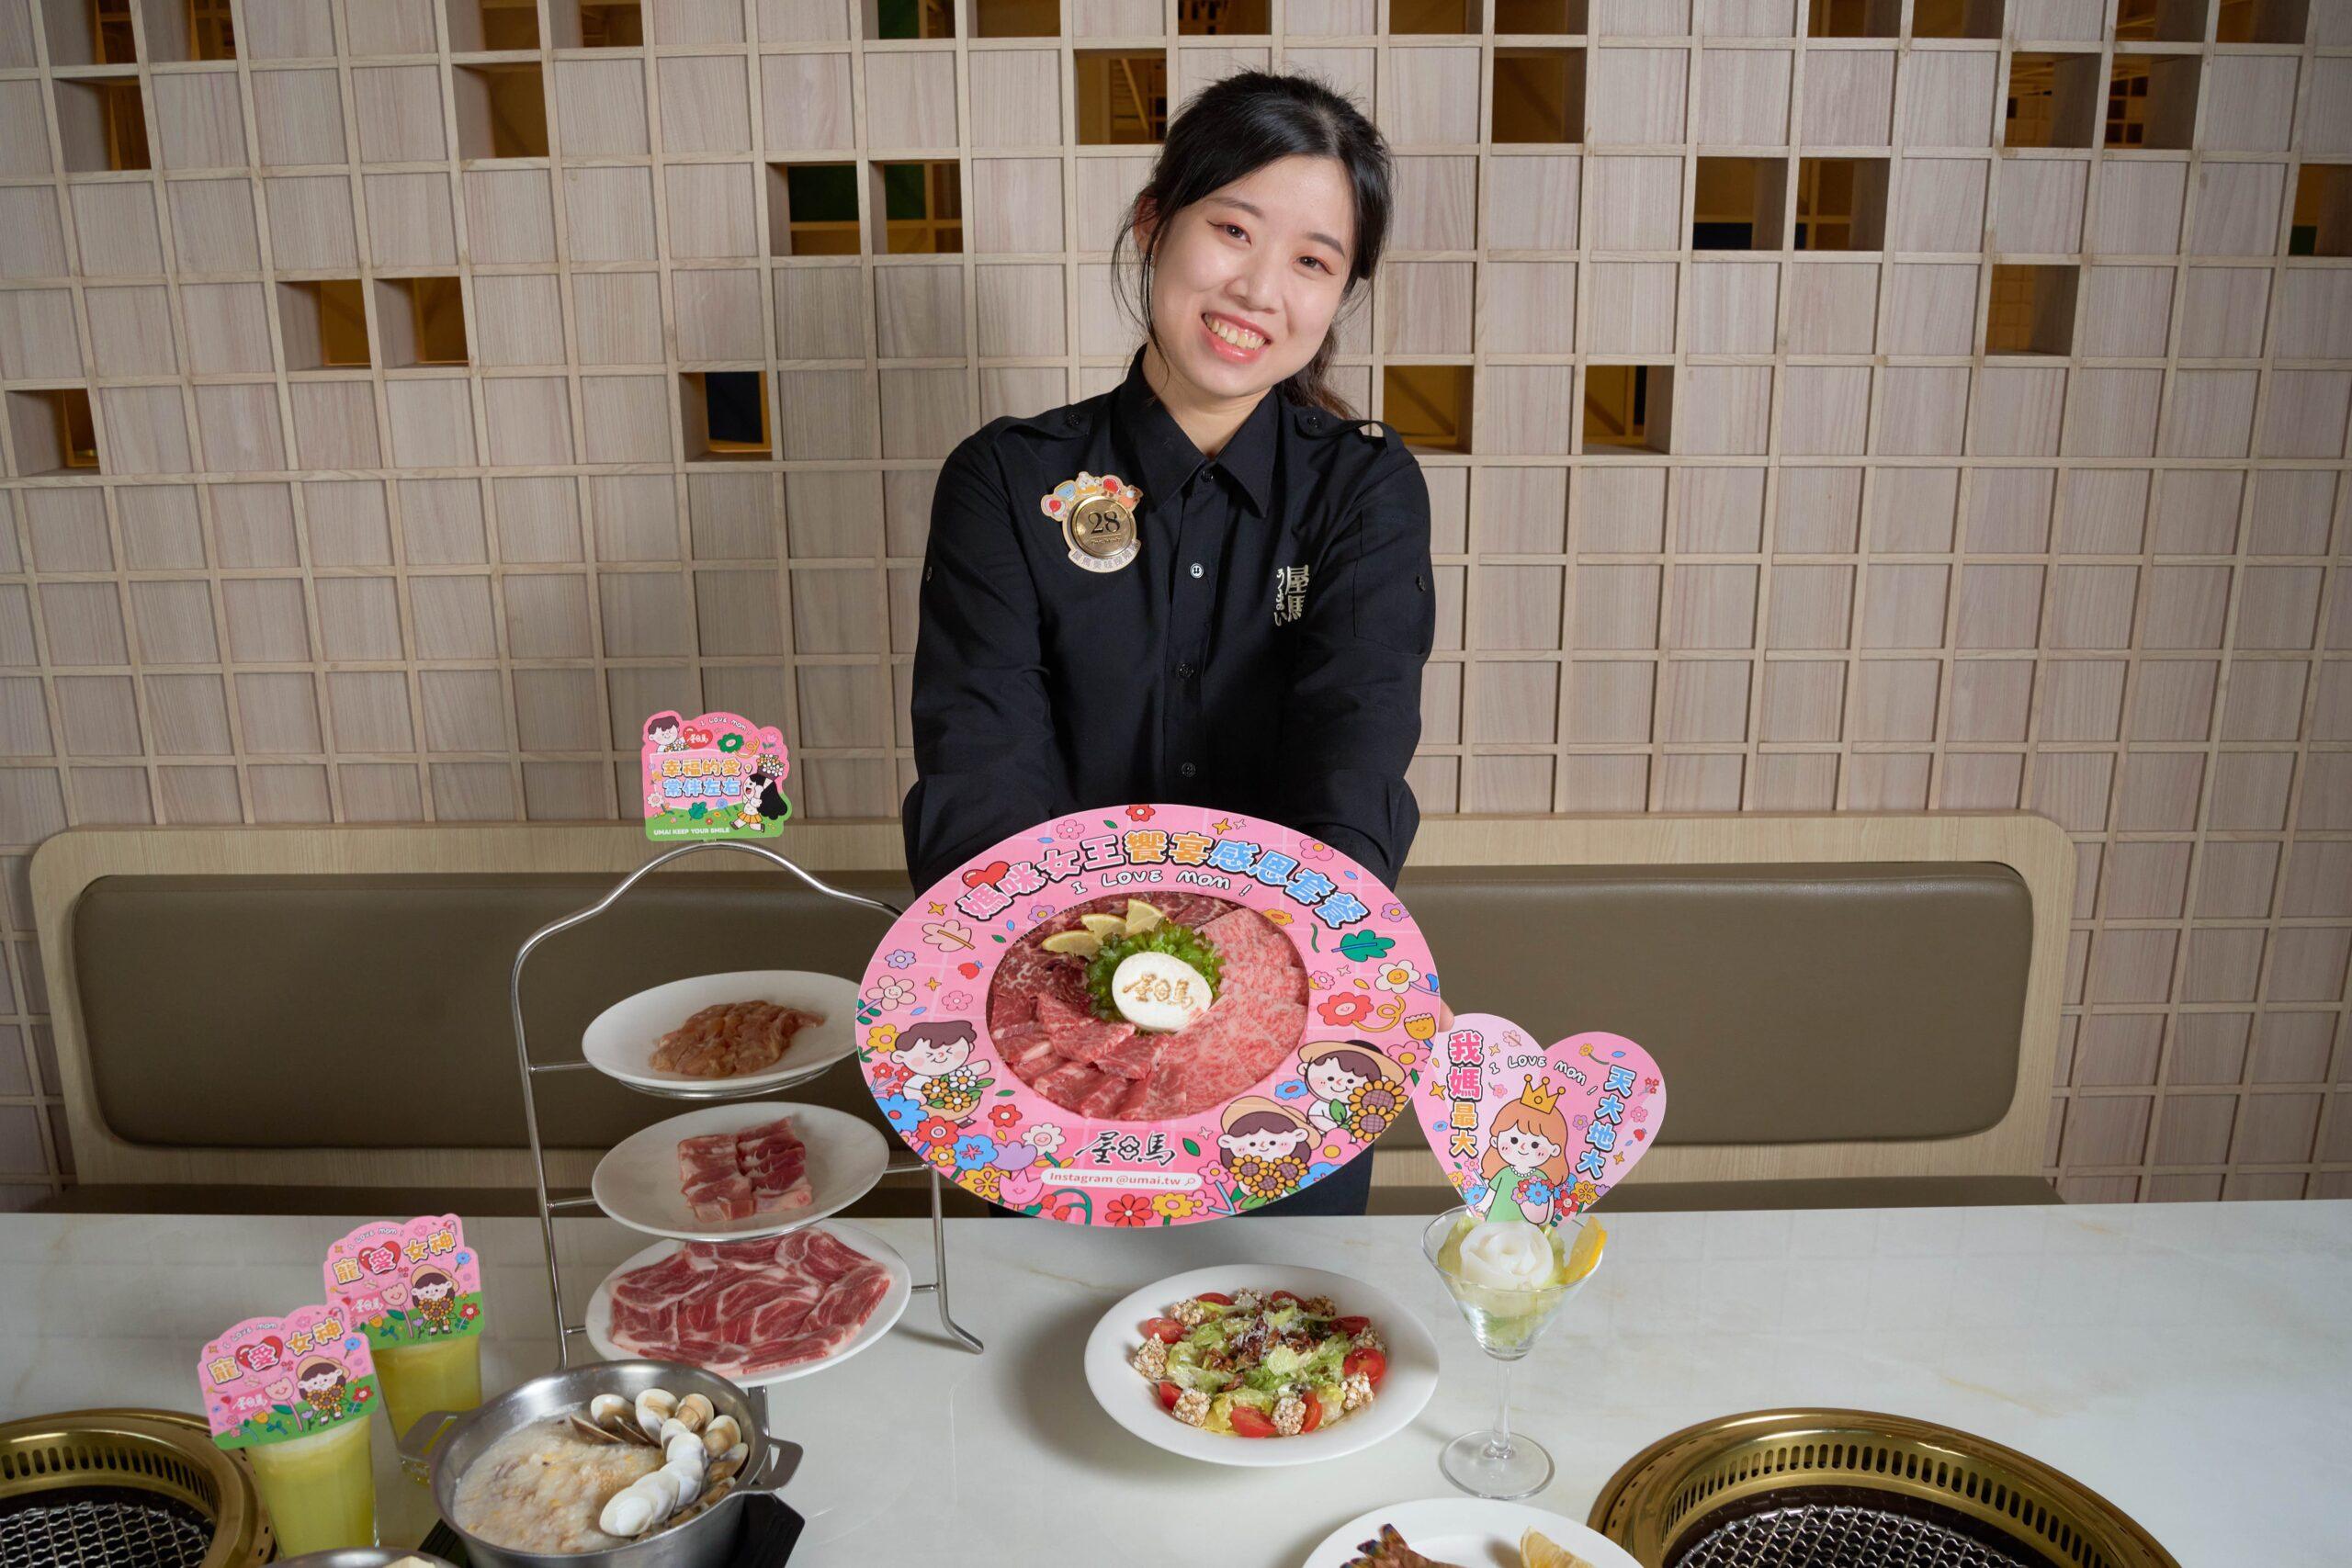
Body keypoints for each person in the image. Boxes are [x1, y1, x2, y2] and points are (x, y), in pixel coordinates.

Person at [901, 73, 1432, 1219]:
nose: (1258, 289)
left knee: (1281, 1328)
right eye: (1232, 230)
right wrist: (1076, 997)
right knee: (1040, 1313)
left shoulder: (1363, 488)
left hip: (1284, 1029)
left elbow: (1354, 747)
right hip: (1046, 1032)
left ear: (1339, 293)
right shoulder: (1005, 479)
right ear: (1155, 222)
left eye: (1312, 260)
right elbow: (981, 759)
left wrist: (1249, 985)